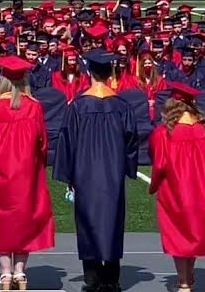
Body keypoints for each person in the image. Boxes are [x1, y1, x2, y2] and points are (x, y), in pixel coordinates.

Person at [54, 49, 139, 292]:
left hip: (85, 172)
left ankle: (92, 278)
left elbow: (67, 140)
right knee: (112, 220)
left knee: (87, 220)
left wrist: (69, 174)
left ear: (89, 73)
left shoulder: (78, 106)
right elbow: (131, 141)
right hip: (113, 173)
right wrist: (127, 168)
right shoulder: (121, 106)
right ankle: (111, 278)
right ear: (110, 73)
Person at [0, 56, 53, 291]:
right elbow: (43, 143)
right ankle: (20, 272)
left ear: (2, 81)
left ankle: (6, 273)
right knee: (24, 221)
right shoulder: (34, 108)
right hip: (27, 173)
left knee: (0, 223)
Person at [147, 83, 205, 292]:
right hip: (200, 190)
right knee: (194, 233)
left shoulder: (164, 133)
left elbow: (159, 163)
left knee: (178, 235)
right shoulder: (204, 131)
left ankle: (183, 281)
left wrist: (154, 185)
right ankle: (189, 275)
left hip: (174, 190)